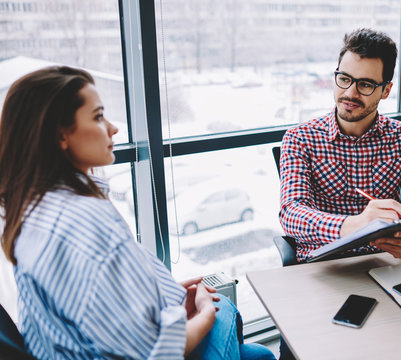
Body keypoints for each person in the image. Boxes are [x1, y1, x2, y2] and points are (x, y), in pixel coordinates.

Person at [0, 66, 275, 360]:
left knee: (257, 353)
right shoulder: (87, 222)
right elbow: (155, 354)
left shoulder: (33, 209)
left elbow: (94, 302)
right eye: (97, 116)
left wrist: (156, 294)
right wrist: (206, 313)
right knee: (224, 307)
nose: (113, 127)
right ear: (60, 136)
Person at [279, 28, 401, 264]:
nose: (350, 93)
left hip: (387, 263)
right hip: (325, 266)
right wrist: (353, 225)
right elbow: (292, 214)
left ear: (386, 90)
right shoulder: (300, 138)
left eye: (365, 84)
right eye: (344, 79)